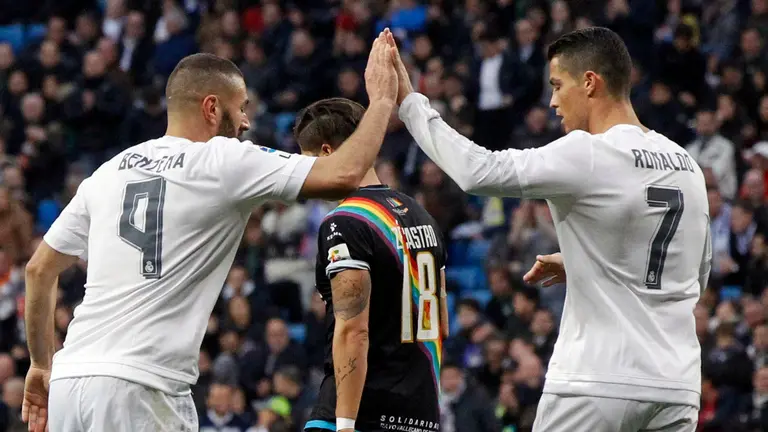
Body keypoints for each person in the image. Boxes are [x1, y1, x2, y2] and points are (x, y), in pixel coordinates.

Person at [21, 31, 399, 432]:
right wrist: (383, 103)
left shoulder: (110, 170)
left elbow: (39, 270)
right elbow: (343, 175)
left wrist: (40, 365)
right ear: (212, 107)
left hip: (68, 382)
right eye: (242, 108)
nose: (248, 121)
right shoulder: (223, 159)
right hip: (143, 389)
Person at [386, 27, 711, 431]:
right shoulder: (687, 165)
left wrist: (410, 105)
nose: (553, 101)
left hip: (597, 382)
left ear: (590, 82)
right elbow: (692, 272)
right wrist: (582, 261)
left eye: (558, 86)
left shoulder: (589, 153)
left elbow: (478, 171)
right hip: (675, 388)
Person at [296, 98, 449, 432]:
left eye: (307, 163)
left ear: (326, 152)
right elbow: (441, 324)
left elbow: (353, 328)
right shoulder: (421, 215)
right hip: (421, 410)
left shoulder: (346, 221)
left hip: (363, 410)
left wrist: (345, 424)